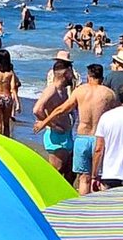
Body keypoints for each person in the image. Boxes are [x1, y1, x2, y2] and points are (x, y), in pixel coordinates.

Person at [34, 64, 116, 194]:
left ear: (88, 76)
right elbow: (116, 116)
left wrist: (44, 123)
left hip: (82, 139)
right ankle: (97, 204)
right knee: (98, 179)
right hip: (99, 139)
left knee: (83, 179)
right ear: (102, 77)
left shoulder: (80, 91)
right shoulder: (109, 94)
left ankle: (82, 204)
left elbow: (61, 109)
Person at [34, 59, 76, 179]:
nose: (73, 76)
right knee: (56, 174)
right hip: (56, 137)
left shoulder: (63, 89)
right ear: (66, 73)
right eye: (71, 73)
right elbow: (37, 109)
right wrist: (52, 125)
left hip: (66, 135)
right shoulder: (52, 89)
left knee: (70, 174)